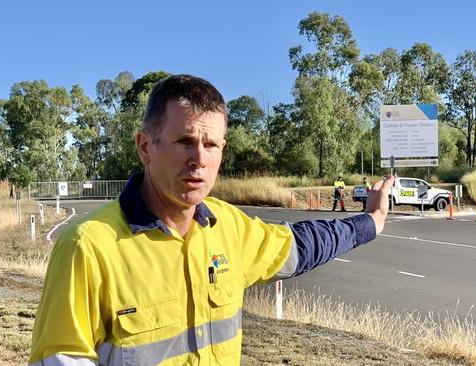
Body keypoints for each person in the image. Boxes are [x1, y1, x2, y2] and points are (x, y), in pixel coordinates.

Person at [29, 74, 394, 366]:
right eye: (185, 141)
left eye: (212, 145)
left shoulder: (228, 227)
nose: (199, 159)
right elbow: (62, 359)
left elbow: (301, 245)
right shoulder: (88, 246)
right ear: (145, 146)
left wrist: (370, 222)